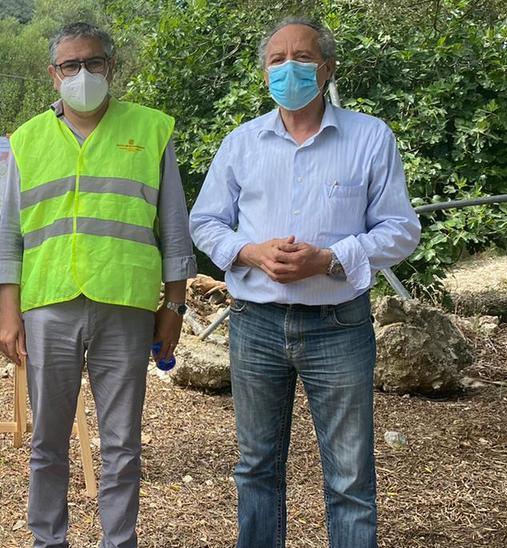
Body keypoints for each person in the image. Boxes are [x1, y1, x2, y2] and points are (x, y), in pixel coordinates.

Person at [188, 16, 422, 548]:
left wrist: (330, 259)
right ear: (264, 73)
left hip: (338, 325)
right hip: (255, 323)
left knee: (349, 477)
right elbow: (206, 221)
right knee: (256, 467)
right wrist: (250, 252)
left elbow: (401, 229)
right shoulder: (241, 143)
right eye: (277, 60)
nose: (288, 68)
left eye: (302, 58)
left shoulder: (370, 137)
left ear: (327, 68)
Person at [0, 22, 197, 548]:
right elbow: (12, 234)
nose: (82, 74)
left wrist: (175, 304)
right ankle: (48, 540)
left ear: (111, 67)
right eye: (70, 65)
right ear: (53, 74)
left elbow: (174, 225)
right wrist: (9, 309)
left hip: (126, 303)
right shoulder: (27, 140)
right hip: (48, 304)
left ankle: (119, 540)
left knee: (122, 442)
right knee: (47, 441)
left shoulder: (151, 130)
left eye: (94, 63)